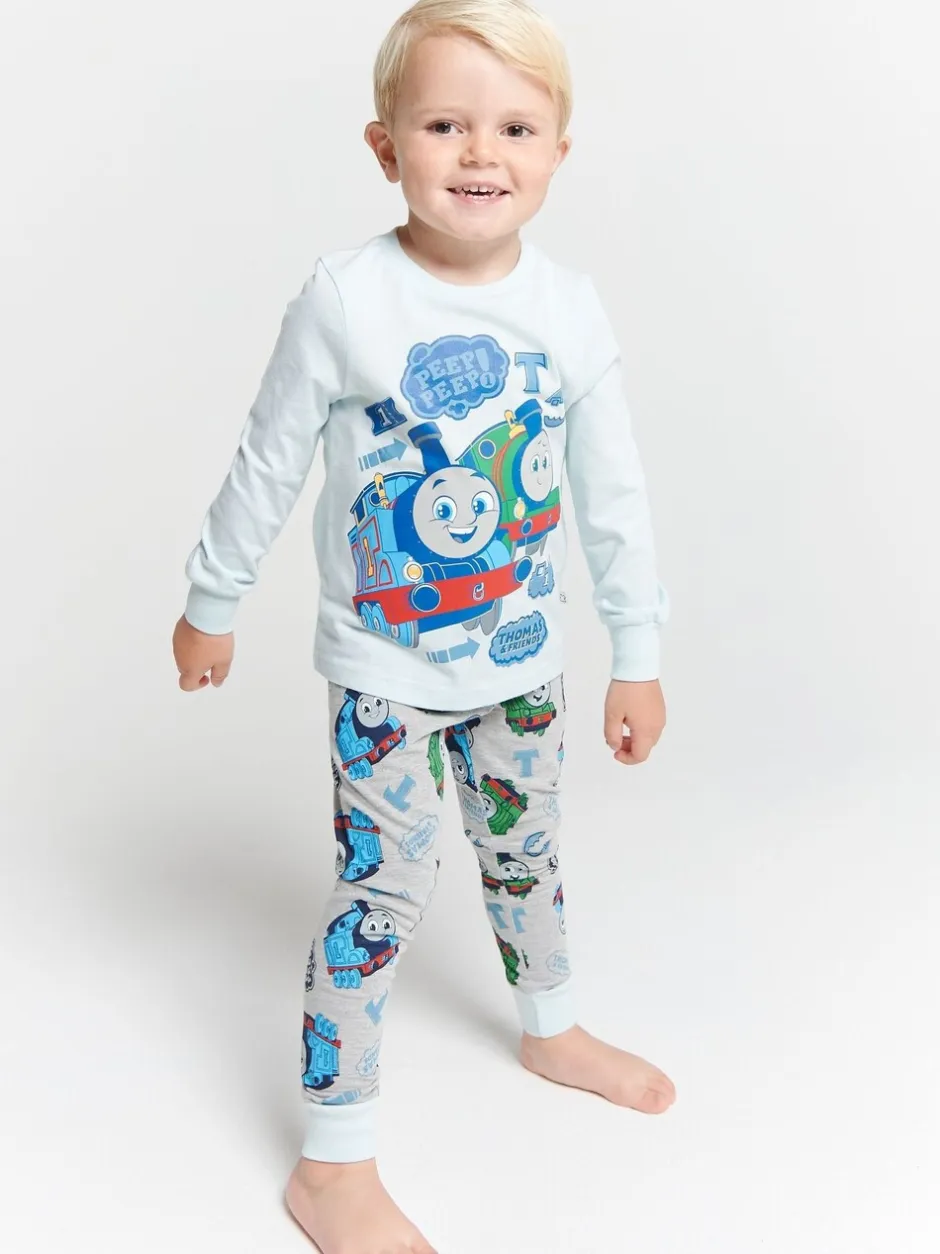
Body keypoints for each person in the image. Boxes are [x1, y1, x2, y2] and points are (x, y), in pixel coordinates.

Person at [172, 2, 674, 1250]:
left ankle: (550, 1027)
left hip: (524, 668)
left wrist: (638, 653)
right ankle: (331, 1161)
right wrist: (212, 600)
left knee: (526, 855)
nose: (480, 152)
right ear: (385, 146)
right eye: (445, 124)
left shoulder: (569, 310)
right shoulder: (347, 299)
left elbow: (613, 497)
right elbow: (269, 459)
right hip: (384, 675)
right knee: (383, 890)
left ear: (558, 152)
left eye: (515, 127)